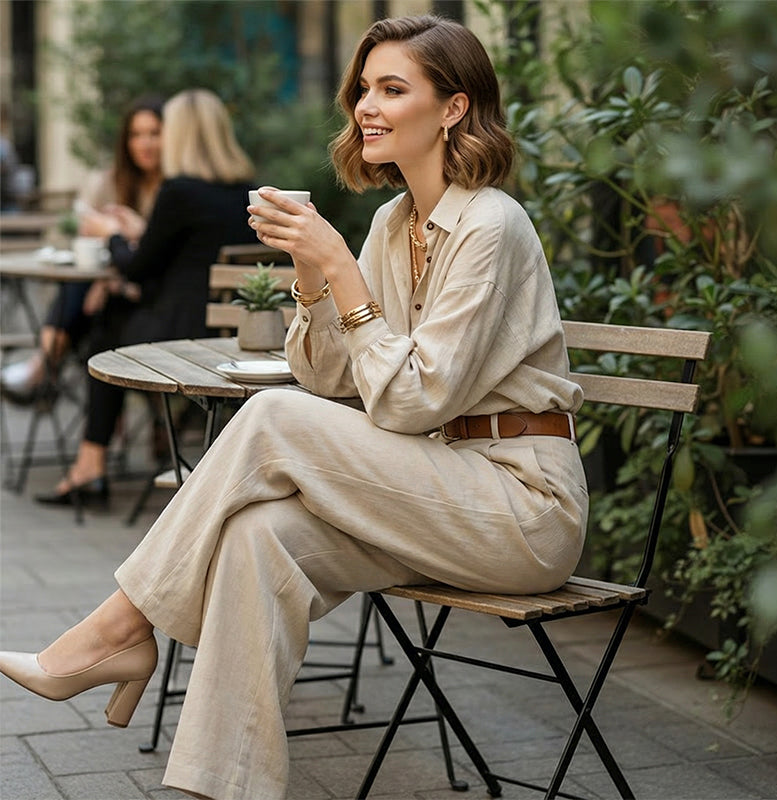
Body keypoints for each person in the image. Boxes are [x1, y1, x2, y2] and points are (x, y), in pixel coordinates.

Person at [0, 16, 588, 800]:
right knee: (255, 536)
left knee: (271, 419)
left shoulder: (491, 227)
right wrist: (312, 277)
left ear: (452, 108)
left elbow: (412, 402)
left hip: (519, 506)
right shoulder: (391, 223)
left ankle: (115, 630)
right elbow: (325, 377)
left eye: (391, 89)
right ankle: (222, 787)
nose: (366, 108)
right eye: (363, 91)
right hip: (432, 489)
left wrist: (339, 269)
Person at [34, 88, 256, 508]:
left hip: (182, 335)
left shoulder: (179, 191)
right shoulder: (248, 191)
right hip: (235, 334)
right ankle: (95, 448)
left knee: (104, 332)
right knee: (108, 312)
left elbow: (137, 269)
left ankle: (89, 463)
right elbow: (182, 264)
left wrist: (112, 234)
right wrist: (139, 233)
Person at [0, 94, 164, 403]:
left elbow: (152, 260)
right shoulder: (110, 183)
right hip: (106, 291)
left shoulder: (173, 191)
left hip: (144, 296)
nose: (145, 143)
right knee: (83, 297)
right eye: (136, 135)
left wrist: (110, 275)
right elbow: (73, 233)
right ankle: (44, 369)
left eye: (154, 133)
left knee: (91, 306)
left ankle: (42, 369)